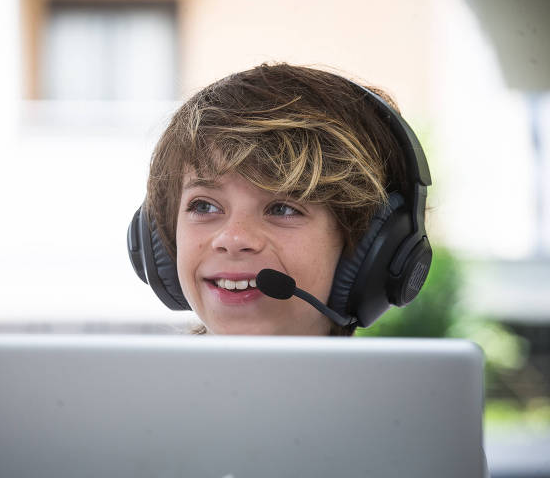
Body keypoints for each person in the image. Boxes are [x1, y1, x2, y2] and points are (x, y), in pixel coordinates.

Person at [128, 62, 432, 337]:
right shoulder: (127, 397)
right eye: (204, 206)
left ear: (371, 249)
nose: (233, 239)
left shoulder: (399, 399)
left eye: (283, 209)